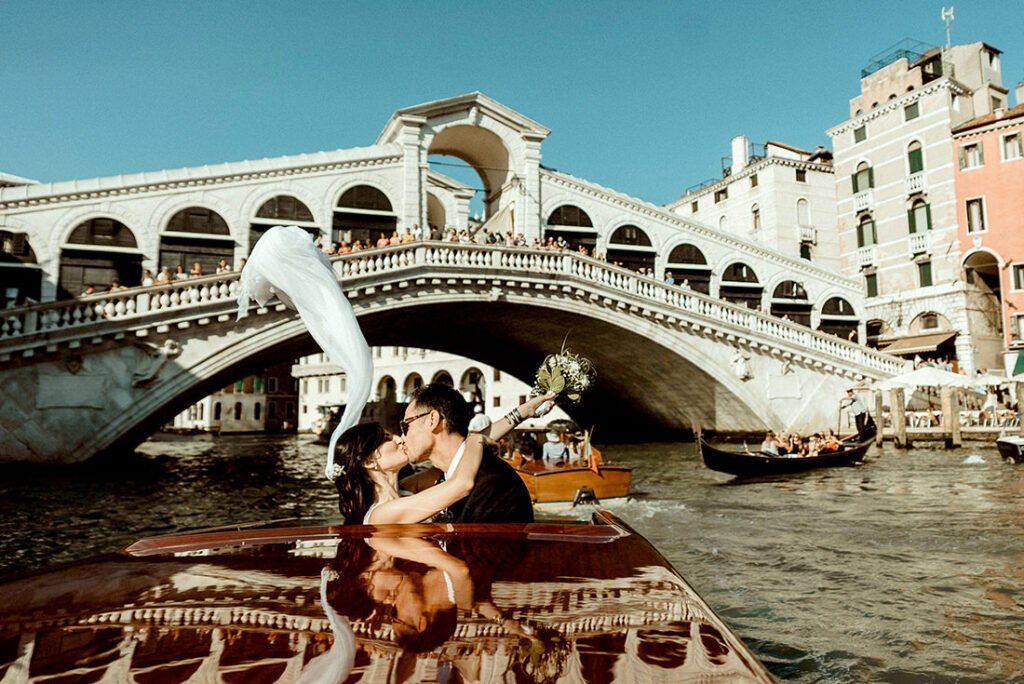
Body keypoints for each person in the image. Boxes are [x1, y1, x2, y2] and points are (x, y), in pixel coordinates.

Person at [400, 383, 539, 523]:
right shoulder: (447, 476)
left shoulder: (494, 484)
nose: (401, 438)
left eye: (406, 425)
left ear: (432, 420)